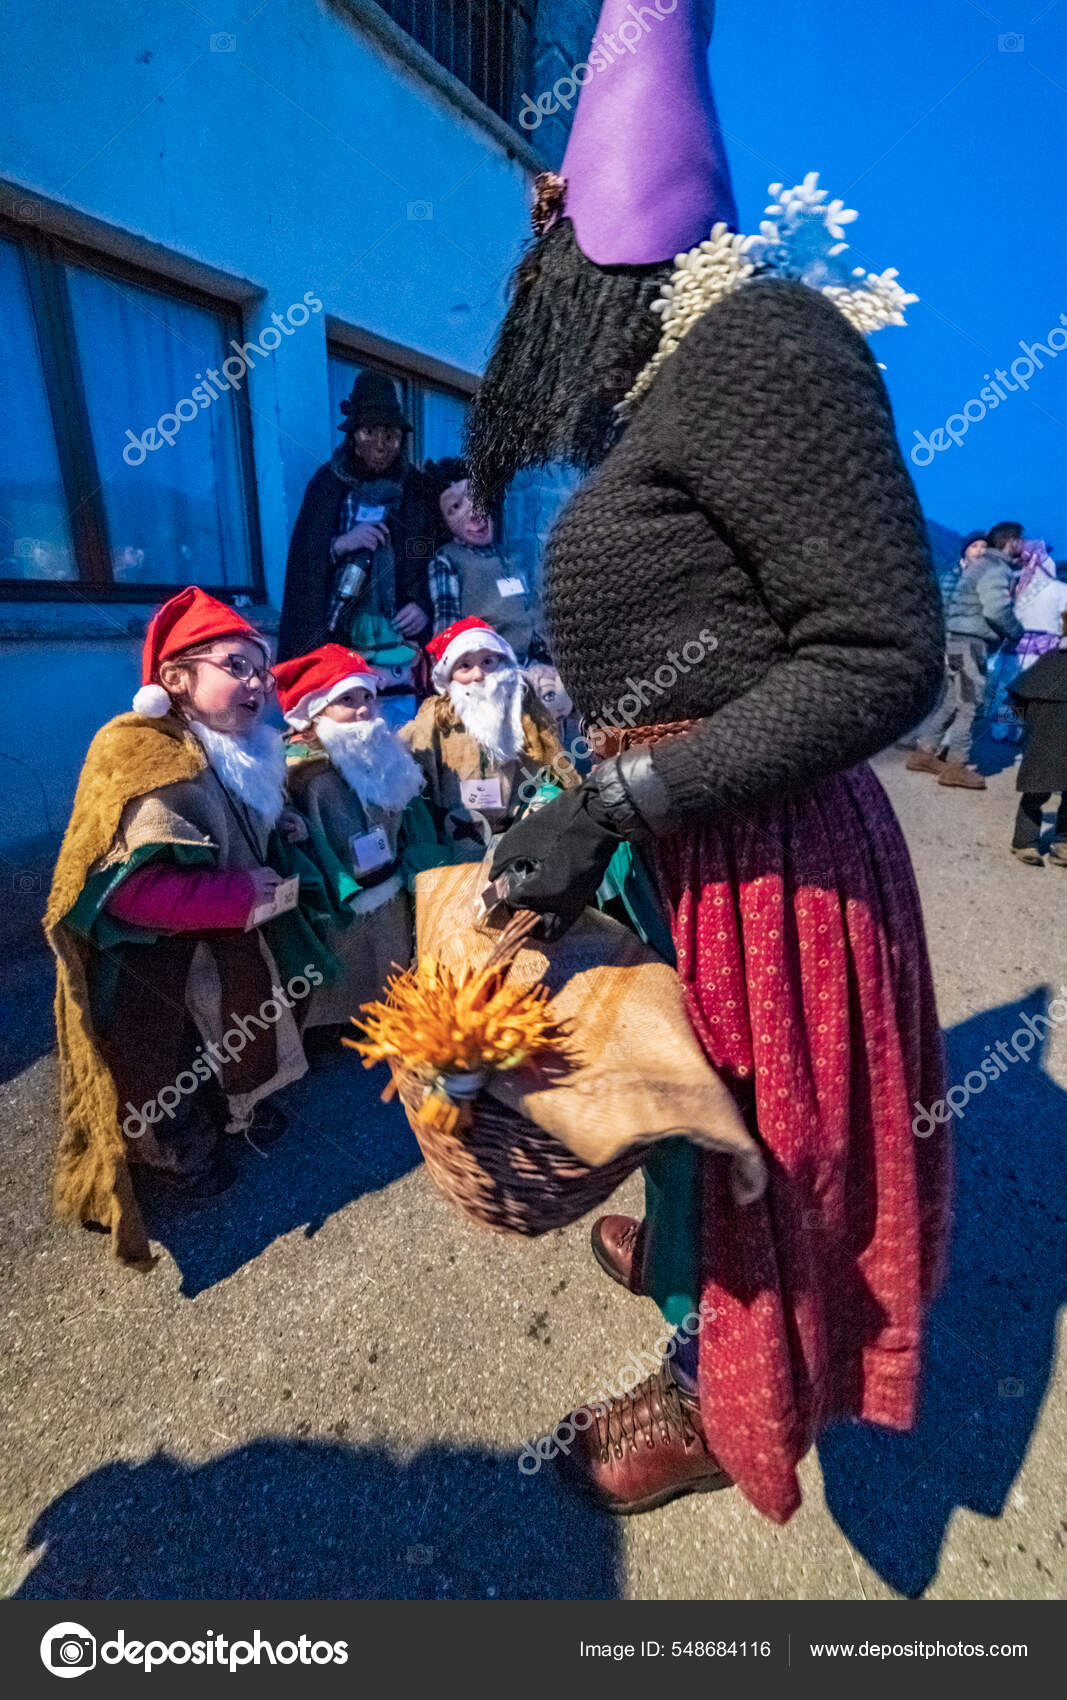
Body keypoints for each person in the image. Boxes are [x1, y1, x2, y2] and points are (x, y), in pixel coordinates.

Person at [466, 0, 950, 1524]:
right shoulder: (662, 393)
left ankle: (715, 1381)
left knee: (760, 1143)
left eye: (543, 259)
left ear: (604, 252)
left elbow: (879, 652)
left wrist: (620, 793)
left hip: (766, 854)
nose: (525, 290)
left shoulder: (760, 343)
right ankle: (688, 1262)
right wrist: (585, 791)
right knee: (681, 1098)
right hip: (681, 833)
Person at [44, 588, 330, 1265]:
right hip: (156, 965)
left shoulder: (232, 749)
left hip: (220, 948)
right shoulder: (148, 759)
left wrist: (277, 825)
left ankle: (237, 1113)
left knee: (228, 1039)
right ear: (175, 679)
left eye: (261, 668)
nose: (257, 681)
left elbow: (233, 823)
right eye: (236, 665)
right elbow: (129, 893)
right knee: (162, 1071)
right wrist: (232, 894)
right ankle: (177, 1156)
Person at [274, 644, 440, 1035]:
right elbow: (279, 813)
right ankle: (335, 1027)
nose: (364, 708)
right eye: (346, 700)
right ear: (315, 711)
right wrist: (294, 823)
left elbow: (410, 811)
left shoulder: (388, 757)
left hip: (390, 879)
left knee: (389, 956)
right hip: (340, 890)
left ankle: (391, 1010)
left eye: (367, 696)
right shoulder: (299, 769)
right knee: (346, 964)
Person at [277, 370, 442, 723]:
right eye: (370, 432)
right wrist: (340, 544)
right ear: (354, 435)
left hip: (401, 642)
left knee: (405, 732)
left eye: (390, 435)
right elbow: (304, 561)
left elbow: (435, 556)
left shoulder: (417, 490)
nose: (381, 444)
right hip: (340, 635)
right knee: (349, 728)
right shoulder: (328, 483)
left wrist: (423, 604)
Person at [400, 616, 573, 857]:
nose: (478, 674)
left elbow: (551, 767)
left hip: (517, 837)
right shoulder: (436, 720)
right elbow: (401, 756)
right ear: (449, 677)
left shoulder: (523, 712)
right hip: (456, 843)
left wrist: (543, 800)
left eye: (488, 661)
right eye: (465, 666)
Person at [907, 519, 1025, 786]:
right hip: (972, 645)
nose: (1024, 546)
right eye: (1022, 540)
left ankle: (924, 753)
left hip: (958, 642)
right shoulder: (996, 569)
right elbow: (996, 609)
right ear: (1012, 541)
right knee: (969, 705)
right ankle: (956, 766)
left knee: (953, 700)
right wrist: (1016, 630)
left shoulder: (980, 566)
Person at [425, 457, 543, 662]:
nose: (474, 513)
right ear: (445, 523)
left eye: (475, 496)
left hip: (540, 664)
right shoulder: (447, 560)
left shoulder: (511, 553)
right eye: (455, 507)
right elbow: (445, 633)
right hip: (494, 671)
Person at [986, 539, 1067, 741]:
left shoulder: (1016, 586)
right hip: (1044, 649)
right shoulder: (1059, 589)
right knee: (1031, 691)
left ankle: (1001, 730)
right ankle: (1020, 733)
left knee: (1010, 688)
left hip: (1015, 645)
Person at [1007, 616, 1067, 866]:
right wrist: (1024, 725)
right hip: (1044, 736)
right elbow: (1017, 700)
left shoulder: (1048, 660)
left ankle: (1063, 842)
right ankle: (1024, 841)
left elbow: (1018, 700)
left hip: (1044, 735)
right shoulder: (1050, 660)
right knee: (1036, 789)